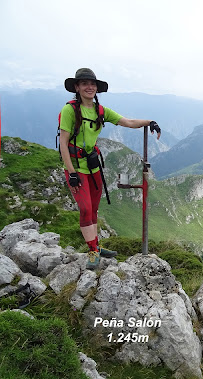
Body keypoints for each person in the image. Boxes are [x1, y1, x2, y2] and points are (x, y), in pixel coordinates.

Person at [59, 68, 161, 269]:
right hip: (76, 167)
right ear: (77, 87)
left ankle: (96, 245)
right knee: (86, 208)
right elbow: (63, 143)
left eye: (93, 84)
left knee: (94, 208)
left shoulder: (100, 111)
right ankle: (93, 250)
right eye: (85, 84)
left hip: (93, 166)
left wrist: (150, 122)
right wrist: (71, 173)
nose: (90, 87)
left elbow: (128, 122)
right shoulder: (70, 110)